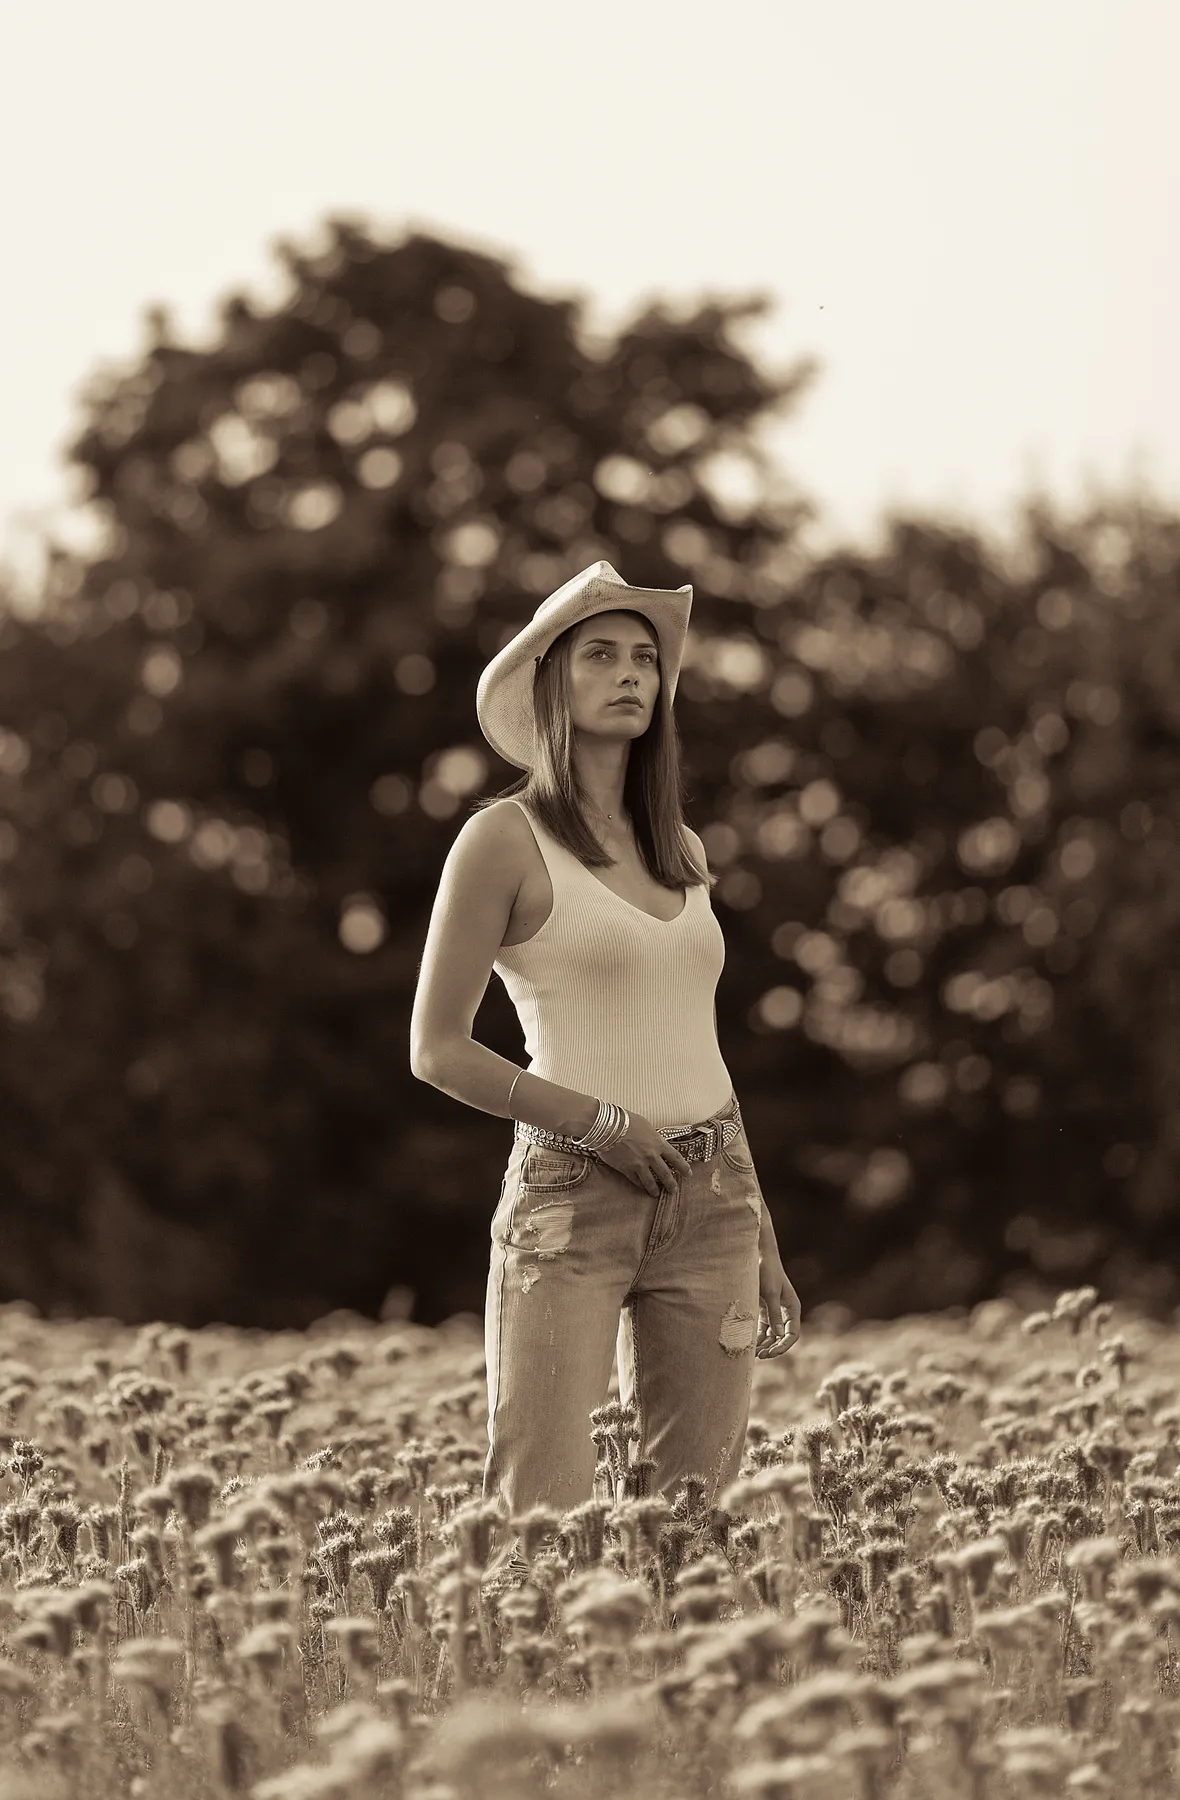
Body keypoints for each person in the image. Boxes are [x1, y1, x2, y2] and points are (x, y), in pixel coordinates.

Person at [409, 560, 801, 1543]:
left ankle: (667, 1655)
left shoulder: (683, 849)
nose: (630, 673)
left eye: (643, 659)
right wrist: (599, 1124)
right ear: (550, 682)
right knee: (543, 1520)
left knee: (690, 1529)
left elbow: (697, 1043)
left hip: (714, 1199)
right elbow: (437, 1049)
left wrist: (760, 1230)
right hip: (570, 1198)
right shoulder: (501, 840)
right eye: (600, 655)